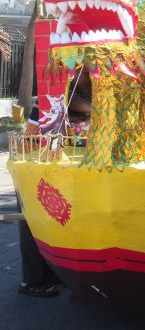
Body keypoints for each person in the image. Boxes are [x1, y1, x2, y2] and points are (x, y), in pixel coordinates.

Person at [18, 102, 60, 297]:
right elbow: (32, 137)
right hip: (29, 167)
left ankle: (51, 275)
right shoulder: (43, 103)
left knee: (48, 223)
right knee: (29, 224)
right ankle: (31, 281)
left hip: (43, 166)